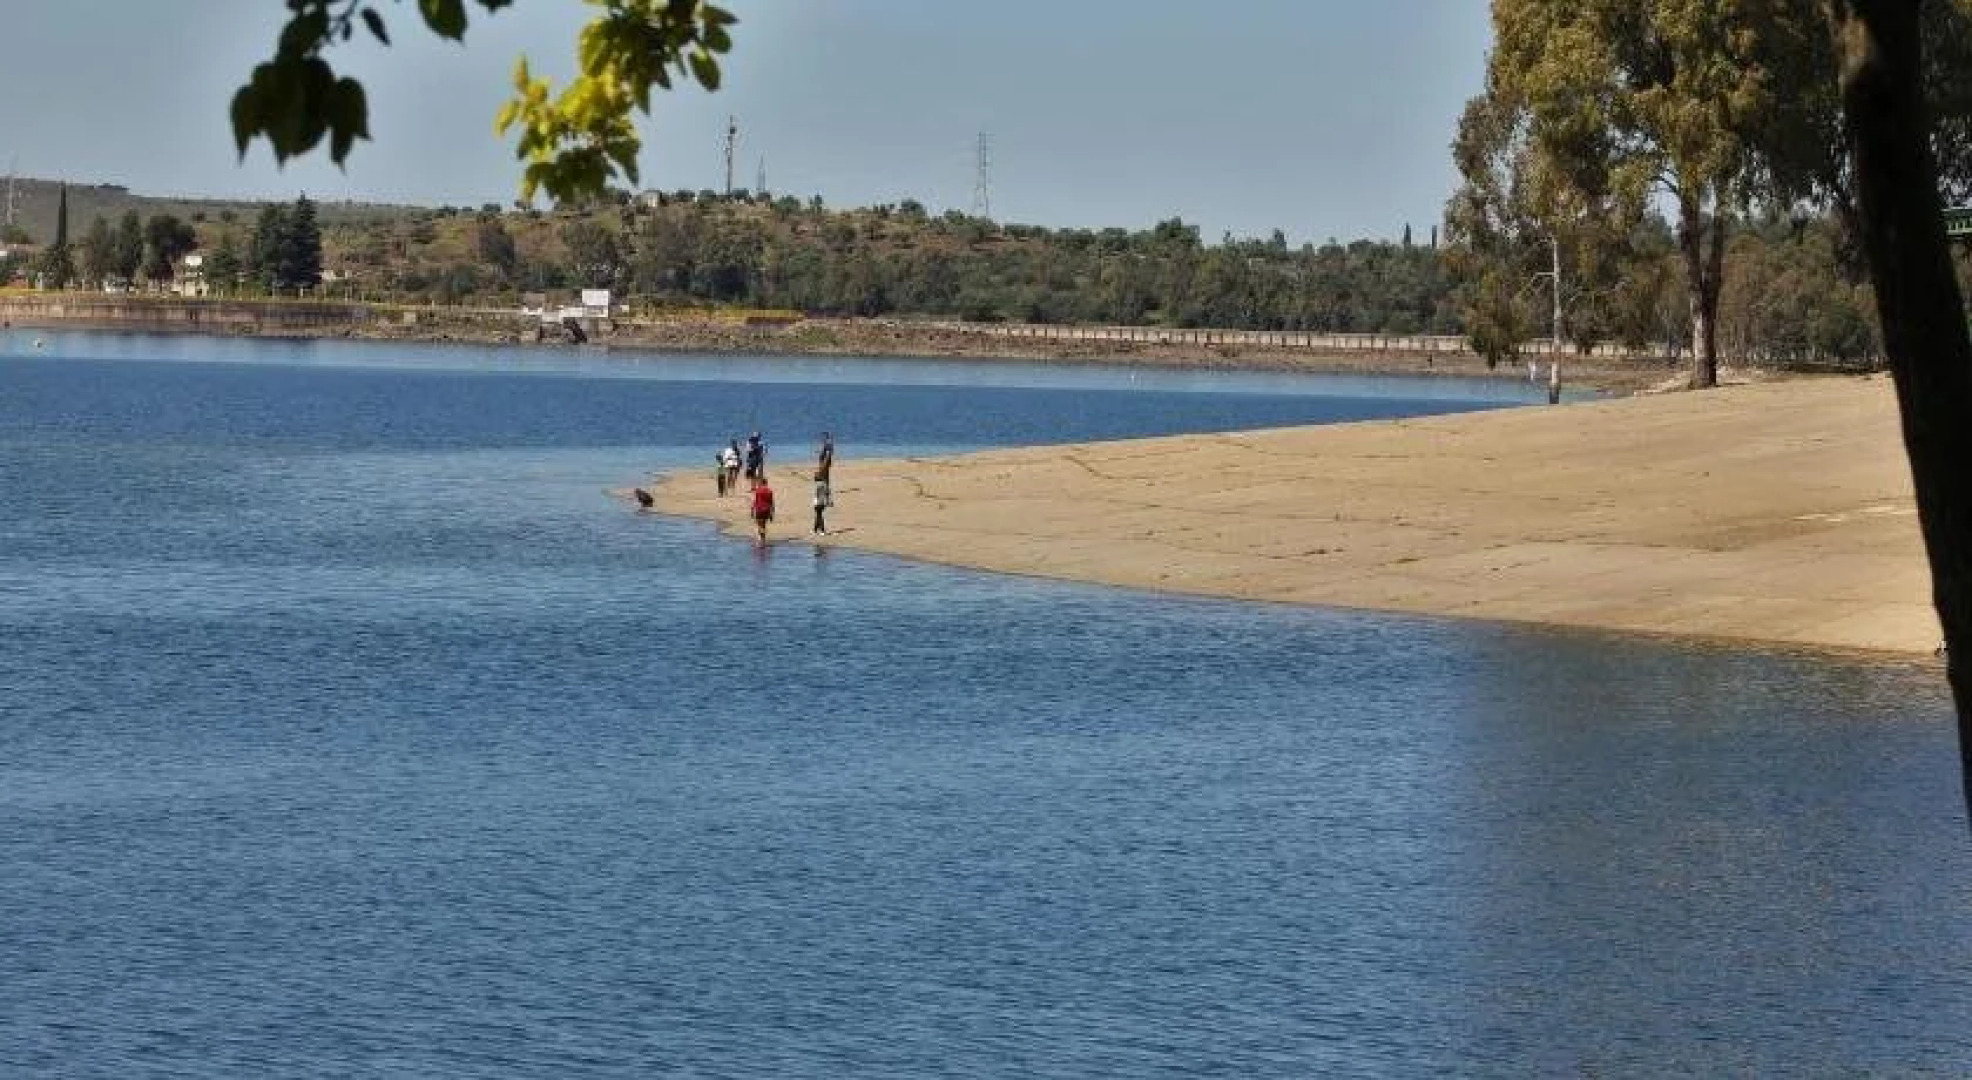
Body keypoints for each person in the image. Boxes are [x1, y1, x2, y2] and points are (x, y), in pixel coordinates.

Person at [749, 474, 775, 546]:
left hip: (759, 509)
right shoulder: (769, 491)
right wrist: (772, 512)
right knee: (763, 524)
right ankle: (763, 539)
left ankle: (761, 539)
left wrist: (752, 510)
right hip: (767, 509)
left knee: (759, 525)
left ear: (761, 483)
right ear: (766, 483)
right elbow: (771, 502)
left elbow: (755, 501)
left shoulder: (758, 491)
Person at [814, 430, 835, 515]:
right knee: (825, 483)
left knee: (825, 483)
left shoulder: (828, 445)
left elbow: (829, 453)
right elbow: (826, 453)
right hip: (824, 464)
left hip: (825, 465)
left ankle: (828, 501)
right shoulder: (826, 445)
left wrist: (821, 470)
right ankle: (828, 501)